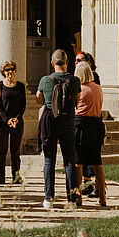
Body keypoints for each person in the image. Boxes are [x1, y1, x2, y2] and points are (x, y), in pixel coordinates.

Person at [35, 49, 80, 210]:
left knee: (49, 159)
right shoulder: (74, 81)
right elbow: (78, 99)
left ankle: (49, 198)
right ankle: (72, 199)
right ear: (67, 62)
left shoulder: (45, 80)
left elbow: (38, 97)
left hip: (49, 120)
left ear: (52, 63)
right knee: (69, 160)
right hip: (68, 119)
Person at [73, 61, 107, 207]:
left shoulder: (79, 89)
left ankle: (78, 195)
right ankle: (103, 196)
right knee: (97, 163)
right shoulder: (98, 88)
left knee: (78, 163)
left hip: (80, 125)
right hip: (95, 125)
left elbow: (75, 107)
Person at [0, 60, 26, 185]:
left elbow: (23, 105)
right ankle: (1, 177)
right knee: (2, 150)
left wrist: (16, 118)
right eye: (7, 70)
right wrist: (7, 120)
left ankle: (16, 177)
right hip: (3, 122)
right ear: (3, 72)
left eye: (12, 69)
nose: (10, 72)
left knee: (15, 151)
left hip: (17, 122)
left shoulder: (20, 86)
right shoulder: (0, 86)